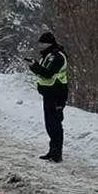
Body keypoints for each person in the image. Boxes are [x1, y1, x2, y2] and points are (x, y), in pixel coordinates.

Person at [27, 31, 68, 162]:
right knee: (50, 124)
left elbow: (48, 73)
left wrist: (35, 67)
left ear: (48, 43)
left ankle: (57, 153)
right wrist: (34, 66)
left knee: (55, 123)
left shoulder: (57, 56)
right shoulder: (47, 55)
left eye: (42, 43)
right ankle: (52, 150)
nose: (40, 46)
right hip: (49, 93)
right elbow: (43, 72)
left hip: (57, 93)